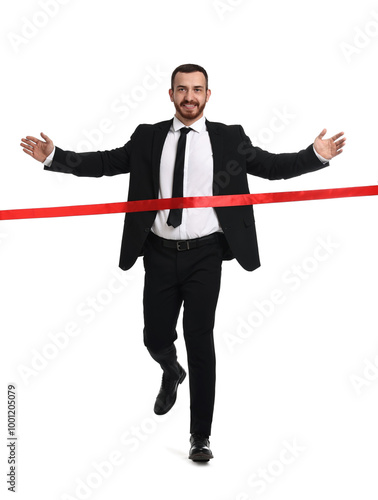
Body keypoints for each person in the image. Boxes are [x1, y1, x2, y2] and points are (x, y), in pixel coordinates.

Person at [20, 63, 346, 462]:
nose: (189, 96)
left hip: (206, 254)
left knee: (200, 337)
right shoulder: (148, 137)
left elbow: (272, 168)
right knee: (154, 337)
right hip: (158, 252)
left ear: (208, 95)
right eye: (182, 89)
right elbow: (105, 163)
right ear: (171, 94)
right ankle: (171, 370)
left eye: (197, 89)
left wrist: (315, 155)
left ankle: (200, 436)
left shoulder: (229, 138)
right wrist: (54, 156)